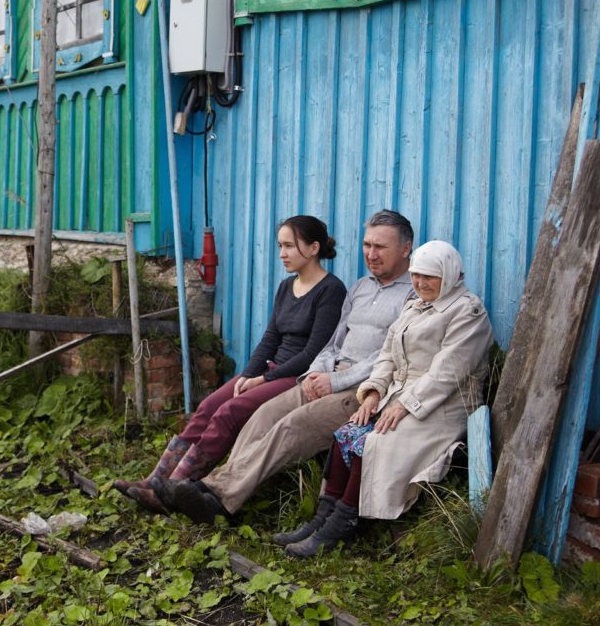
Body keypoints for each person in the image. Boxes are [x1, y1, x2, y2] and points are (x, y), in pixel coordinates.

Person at [160, 210, 415, 524]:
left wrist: (334, 381)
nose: (371, 254)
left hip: (361, 389)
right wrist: (316, 373)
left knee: (290, 426)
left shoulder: (413, 295)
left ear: (405, 249)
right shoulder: (361, 288)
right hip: (326, 376)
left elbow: (387, 357)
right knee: (262, 417)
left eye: (381, 247)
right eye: (367, 245)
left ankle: (220, 498)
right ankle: (212, 487)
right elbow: (332, 343)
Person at [114, 215, 347, 513]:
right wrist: (248, 374)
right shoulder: (286, 287)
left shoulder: (331, 290)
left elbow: (315, 351)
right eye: (280, 246)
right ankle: (155, 480)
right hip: (270, 371)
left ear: (313, 248)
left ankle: (176, 487)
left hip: (298, 376)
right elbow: (270, 337)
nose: (282, 254)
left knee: (229, 412)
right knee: (209, 406)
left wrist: (261, 381)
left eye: (289, 246)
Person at [283, 240, 493, 557]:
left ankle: (343, 522)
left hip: (442, 407)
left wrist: (403, 405)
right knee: (347, 434)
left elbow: (447, 373)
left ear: (449, 275)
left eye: (429, 277)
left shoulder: (468, 312)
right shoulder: (414, 307)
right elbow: (387, 357)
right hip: (399, 398)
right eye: (416, 275)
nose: (420, 283)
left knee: (375, 442)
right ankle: (323, 518)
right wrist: (373, 393)